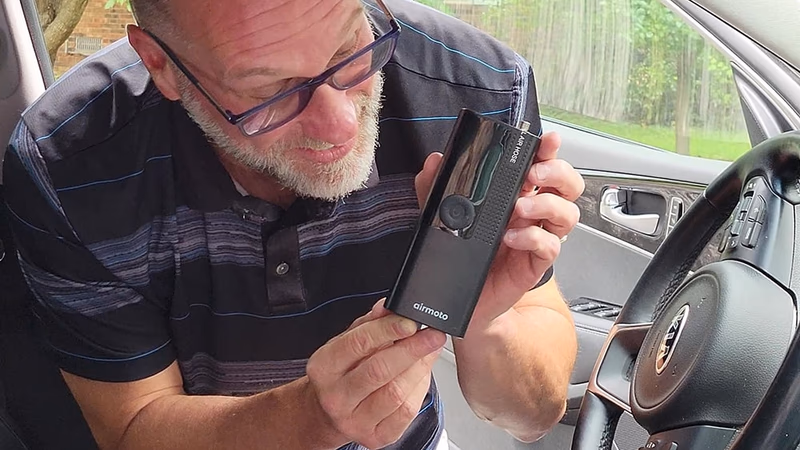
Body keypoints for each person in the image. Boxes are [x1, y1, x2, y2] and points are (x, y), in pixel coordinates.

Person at [3, 0, 584, 448]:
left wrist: (475, 313)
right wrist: (313, 417)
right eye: (269, 93)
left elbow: (531, 414)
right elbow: (134, 429)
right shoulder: (70, 165)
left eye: (350, 51)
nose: (337, 127)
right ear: (163, 66)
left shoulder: (477, 91)